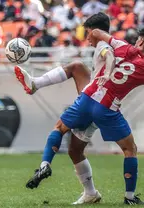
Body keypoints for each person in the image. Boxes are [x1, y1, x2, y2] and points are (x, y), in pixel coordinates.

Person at [17, 25, 144, 205]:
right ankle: (129, 197)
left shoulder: (120, 45)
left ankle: (45, 164)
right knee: (129, 149)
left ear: (141, 41)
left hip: (87, 99)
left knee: (60, 128)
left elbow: (95, 33)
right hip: (107, 109)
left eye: (138, 38)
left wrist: (105, 41)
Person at [16, 12, 113, 204]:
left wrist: (108, 73)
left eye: (87, 33)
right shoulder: (110, 44)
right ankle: (91, 193)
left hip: (94, 99)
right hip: (103, 103)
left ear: (95, 31)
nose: (86, 38)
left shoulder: (104, 46)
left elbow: (109, 55)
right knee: (75, 151)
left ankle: (44, 165)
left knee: (59, 128)